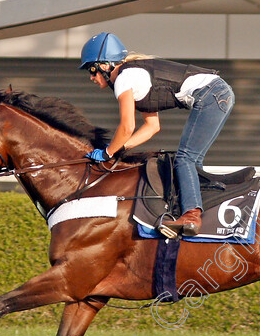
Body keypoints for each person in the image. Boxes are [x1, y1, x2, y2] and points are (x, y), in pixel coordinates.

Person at [79, 32, 235, 238]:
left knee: (185, 158)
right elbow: (152, 126)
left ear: (106, 66)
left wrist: (108, 152)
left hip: (211, 95)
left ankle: (191, 216)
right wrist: (121, 149)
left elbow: (127, 127)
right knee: (193, 159)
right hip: (218, 93)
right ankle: (198, 212)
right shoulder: (132, 76)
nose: (91, 77)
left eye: (92, 69)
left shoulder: (124, 79)